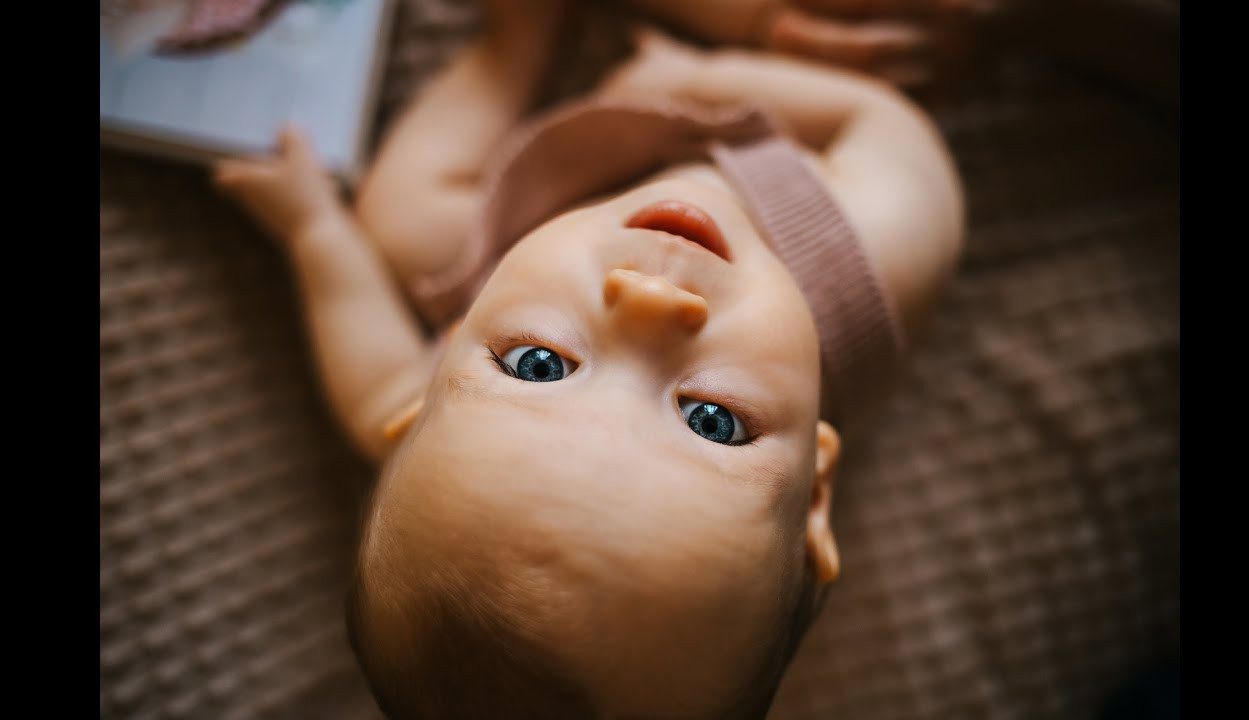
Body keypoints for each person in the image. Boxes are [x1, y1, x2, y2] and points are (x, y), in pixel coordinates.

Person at [213, 0, 964, 716]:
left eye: (539, 366)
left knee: (396, 218)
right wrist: (702, 83)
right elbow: (887, 122)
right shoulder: (875, 250)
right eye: (712, 421)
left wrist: (317, 233)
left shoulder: (453, 440)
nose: (648, 303)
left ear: (420, 414)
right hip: (747, 164)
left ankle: (508, 52)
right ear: (814, 490)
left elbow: (377, 385)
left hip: (541, 229)